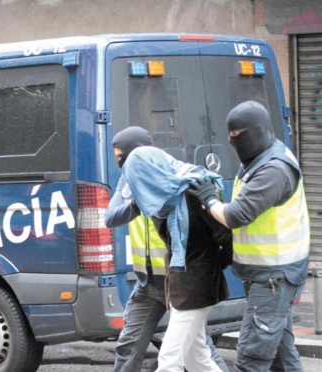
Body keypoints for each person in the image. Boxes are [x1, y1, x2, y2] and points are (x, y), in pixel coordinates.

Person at [188, 100, 310, 371]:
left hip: (274, 277)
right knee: (282, 357)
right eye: (231, 137)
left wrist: (209, 200)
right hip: (266, 275)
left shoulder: (273, 169)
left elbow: (236, 215)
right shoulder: (257, 159)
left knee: (251, 358)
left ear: (258, 131)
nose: (234, 143)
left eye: (239, 136)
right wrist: (229, 247)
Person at [106, 127, 230, 372]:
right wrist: (139, 202)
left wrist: (219, 262)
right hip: (158, 281)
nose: (120, 164)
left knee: (171, 359)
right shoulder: (136, 180)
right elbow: (111, 217)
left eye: (123, 157)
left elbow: (223, 231)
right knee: (196, 358)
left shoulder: (183, 187)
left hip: (192, 284)